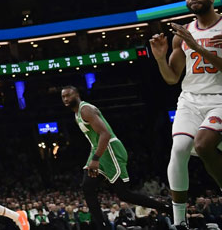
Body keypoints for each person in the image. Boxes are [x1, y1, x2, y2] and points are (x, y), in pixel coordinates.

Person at [151, 0, 222, 225]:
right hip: (190, 99)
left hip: (220, 98)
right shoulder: (182, 34)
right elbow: (172, 77)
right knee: (179, 149)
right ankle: (180, 222)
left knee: (202, 146)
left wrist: (195, 46)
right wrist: (160, 59)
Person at [59, 86, 170, 230]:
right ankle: (102, 226)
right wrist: (94, 157)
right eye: (63, 97)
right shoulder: (77, 114)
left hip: (110, 149)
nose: (66, 99)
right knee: (87, 187)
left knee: (124, 194)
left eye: (69, 95)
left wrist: (95, 159)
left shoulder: (86, 109)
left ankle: (167, 207)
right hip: (98, 150)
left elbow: (105, 134)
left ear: (77, 95)